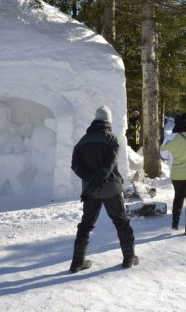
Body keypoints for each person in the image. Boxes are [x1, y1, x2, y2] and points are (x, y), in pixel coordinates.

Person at [69, 106, 138, 273]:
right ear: (108, 121)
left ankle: (77, 262)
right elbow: (109, 165)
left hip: (90, 190)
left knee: (86, 224)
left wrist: (91, 180)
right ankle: (129, 257)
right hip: (111, 189)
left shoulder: (82, 141)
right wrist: (99, 179)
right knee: (121, 221)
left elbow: (75, 165)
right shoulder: (112, 139)